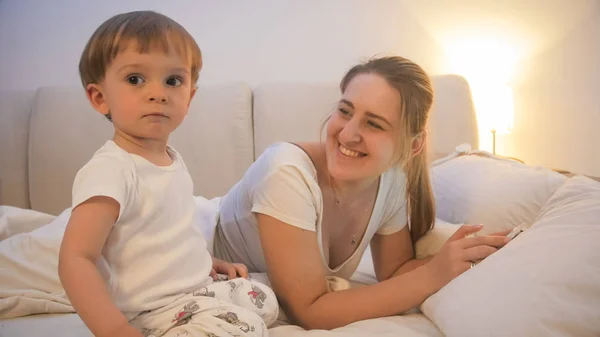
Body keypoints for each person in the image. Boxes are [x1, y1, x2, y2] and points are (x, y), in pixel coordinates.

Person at [213, 56, 510, 330]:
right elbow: (310, 310)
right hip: (203, 248)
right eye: (345, 111)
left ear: (414, 145)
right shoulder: (285, 172)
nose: (347, 134)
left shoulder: (390, 179)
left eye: (373, 124)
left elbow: (394, 271)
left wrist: (469, 254)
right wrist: (433, 274)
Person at [58, 10, 278, 337]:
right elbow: (75, 258)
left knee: (264, 300)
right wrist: (114, 329)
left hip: (192, 291)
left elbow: (170, 234)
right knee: (247, 328)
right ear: (100, 97)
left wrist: (206, 263)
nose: (158, 93)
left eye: (173, 81)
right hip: (151, 310)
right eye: (135, 79)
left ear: (189, 97)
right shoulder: (111, 169)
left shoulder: (171, 159)